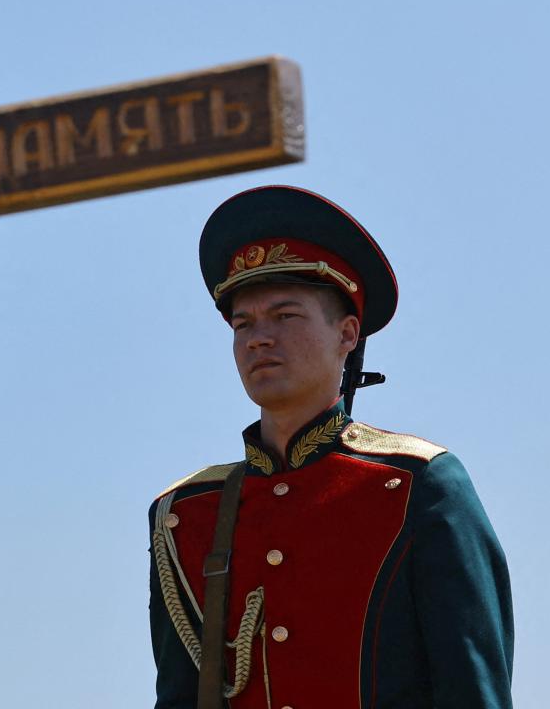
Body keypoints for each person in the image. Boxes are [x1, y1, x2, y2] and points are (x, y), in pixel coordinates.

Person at [148, 186, 513, 708]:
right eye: (243, 323)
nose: (258, 338)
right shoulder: (185, 514)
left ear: (347, 334)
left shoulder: (418, 485)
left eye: (285, 316)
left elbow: (472, 693)